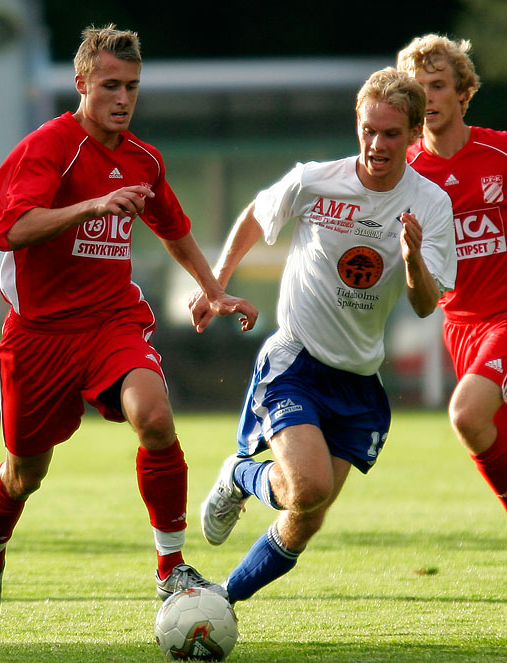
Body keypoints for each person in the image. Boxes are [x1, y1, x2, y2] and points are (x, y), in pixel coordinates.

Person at [0, 23, 258, 631]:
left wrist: (213, 290)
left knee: (154, 416)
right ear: (81, 84)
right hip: (39, 334)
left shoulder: (143, 160)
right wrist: (90, 206)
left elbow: (173, 228)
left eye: (132, 87)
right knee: (24, 474)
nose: (122, 99)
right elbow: (11, 231)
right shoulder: (50, 147)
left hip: (111, 322)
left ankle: (171, 567)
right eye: (109, 86)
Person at [190, 68, 456, 605]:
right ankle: (241, 474)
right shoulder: (316, 180)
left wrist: (410, 261)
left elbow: (427, 304)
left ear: (411, 134)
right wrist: (214, 283)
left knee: (306, 517)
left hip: (358, 382)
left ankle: (221, 600)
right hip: (297, 361)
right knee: (307, 488)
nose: (376, 145)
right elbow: (254, 215)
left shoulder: (430, 204)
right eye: (368, 130)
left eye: (390, 134)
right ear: (356, 125)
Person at [397, 35, 507, 513]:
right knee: (483, 429)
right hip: (460, 328)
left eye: (437, 85)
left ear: (463, 91)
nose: (427, 97)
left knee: (465, 413)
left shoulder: (500, 154)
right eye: (417, 88)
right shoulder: (403, 174)